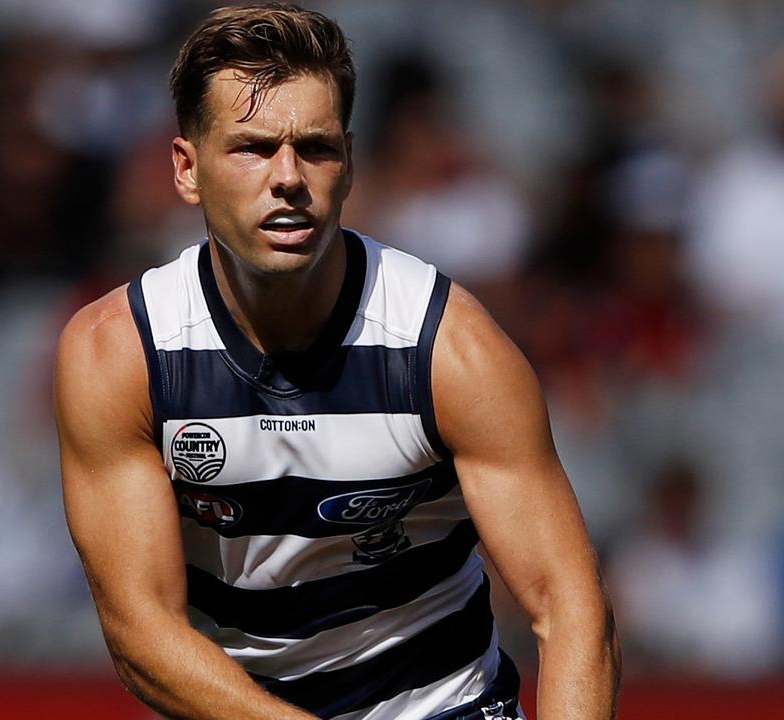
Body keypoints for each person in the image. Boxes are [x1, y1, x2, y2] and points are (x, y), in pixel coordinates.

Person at [53, 5, 618, 719]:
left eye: (314, 148)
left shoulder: (447, 348)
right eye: (253, 149)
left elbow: (570, 610)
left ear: (349, 164)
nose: (288, 177)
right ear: (186, 169)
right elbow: (143, 634)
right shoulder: (120, 354)